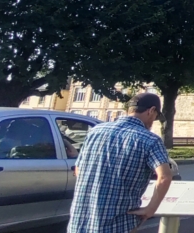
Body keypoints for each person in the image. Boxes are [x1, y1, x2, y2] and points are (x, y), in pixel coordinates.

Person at [68, 93, 173, 233]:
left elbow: (79, 169)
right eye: (155, 116)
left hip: (80, 220)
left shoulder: (95, 132)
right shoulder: (150, 140)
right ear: (151, 111)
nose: (154, 120)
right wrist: (150, 209)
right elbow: (164, 177)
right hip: (119, 222)